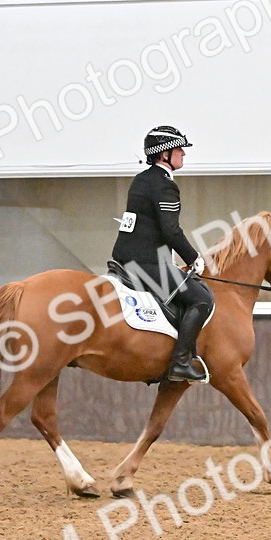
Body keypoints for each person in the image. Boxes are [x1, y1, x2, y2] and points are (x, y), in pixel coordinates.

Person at [111, 125, 214, 382]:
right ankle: (181, 362)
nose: (183, 154)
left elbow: (148, 227)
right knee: (201, 298)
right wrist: (193, 258)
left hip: (126, 259)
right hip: (147, 264)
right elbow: (171, 230)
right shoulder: (164, 186)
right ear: (164, 154)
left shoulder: (141, 179)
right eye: (179, 149)